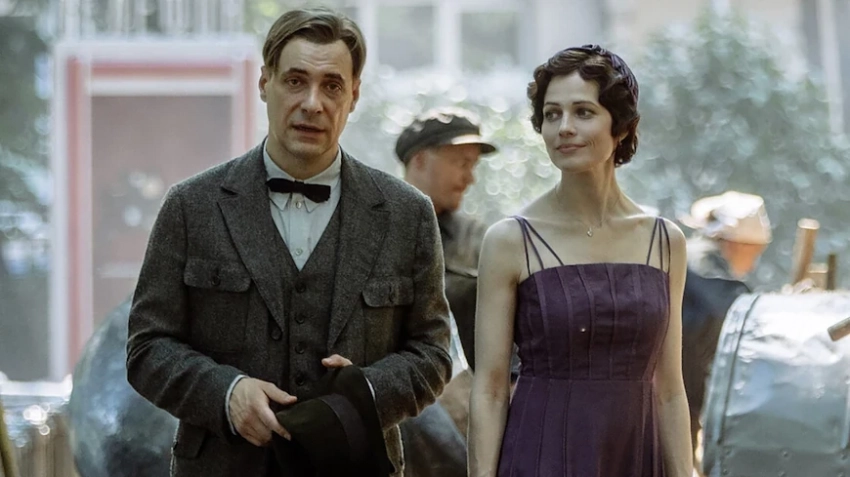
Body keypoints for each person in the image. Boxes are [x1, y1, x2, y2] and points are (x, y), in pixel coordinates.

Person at [126, 8, 452, 477]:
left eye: (332, 86)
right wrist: (226, 393)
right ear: (265, 83)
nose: (313, 103)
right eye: (296, 81)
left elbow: (433, 352)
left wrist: (365, 395)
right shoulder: (190, 206)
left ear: (354, 95)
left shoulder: (408, 214)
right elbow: (147, 347)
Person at [468, 44, 693, 477]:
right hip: (539, 456)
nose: (564, 128)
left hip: (635, 455)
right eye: (552, 114)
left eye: (583, 112)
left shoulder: (665, 241)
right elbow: (491, 389)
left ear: (621, 127)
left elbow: (670, 390)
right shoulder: (510, 240)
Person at [394, 107, 496, 477]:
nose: (470, 178)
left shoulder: (481, 240)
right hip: (397, 398)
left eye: (473, 166)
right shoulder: (376, 232)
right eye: (461, 163)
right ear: (420, 160)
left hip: (468, 403)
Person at [678, 191, 771, 470]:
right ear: (736, 243)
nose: (753, 263)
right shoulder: (699, 260)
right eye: (754, 252)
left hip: (685, 387)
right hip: (675, 385)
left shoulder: (700, 259)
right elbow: (733, 307)